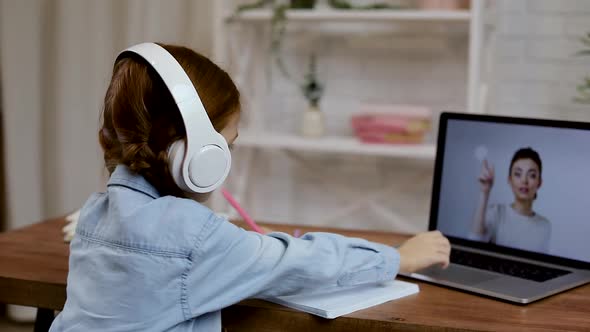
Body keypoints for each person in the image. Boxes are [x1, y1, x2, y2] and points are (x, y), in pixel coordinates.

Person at [49, 42, 450, 331]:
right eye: (227, 147)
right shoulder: (194, 237)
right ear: (198, 157)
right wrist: (399, 258)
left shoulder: (95, 215)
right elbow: (302, 260)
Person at [470, 147, 551, 252]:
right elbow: (475, 241)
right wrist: (485, 192)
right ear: (509, 180)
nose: (524, 180)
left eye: (532, 175)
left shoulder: (545, 226)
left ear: (539, 183)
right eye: (518, 174)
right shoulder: (496, 212)